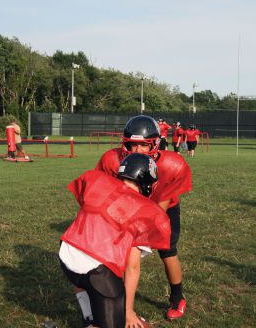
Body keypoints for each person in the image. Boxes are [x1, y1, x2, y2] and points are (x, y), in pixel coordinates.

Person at [94, 115, 192, 320]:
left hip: (162, 208)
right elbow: (104, 192)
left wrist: (142, 228)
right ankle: (118, 300)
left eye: (143, 146)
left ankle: (177, 297)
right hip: (126, 209)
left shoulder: (172, 165)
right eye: (132, 145)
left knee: (168, 250)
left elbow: (160, 207)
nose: (137, 151)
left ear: (155, 145)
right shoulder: (111, 160)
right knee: (118, 253)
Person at [59, 153, 171, 328]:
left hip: (67, 253)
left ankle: (89, 317)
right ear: (147, 182)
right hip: (96, 271)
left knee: (86, 282)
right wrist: (128, 311)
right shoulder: (146, 212)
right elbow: (132, 267)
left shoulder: (98, 181)